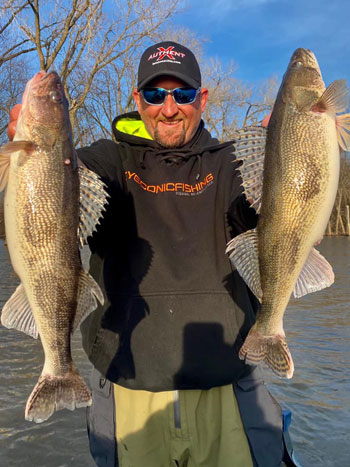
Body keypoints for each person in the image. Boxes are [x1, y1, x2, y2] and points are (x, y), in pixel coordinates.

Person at [8, 42, 286, 467]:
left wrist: (288, 170)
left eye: (183, 94)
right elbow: (42, 216)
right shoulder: (105, 162)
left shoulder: (231, 165)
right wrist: (27, 167)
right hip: (127, 396)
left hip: (228, 392)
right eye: (155, 95)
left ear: (202, 99)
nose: (169, 108)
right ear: (137, 100)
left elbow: (280, 220)